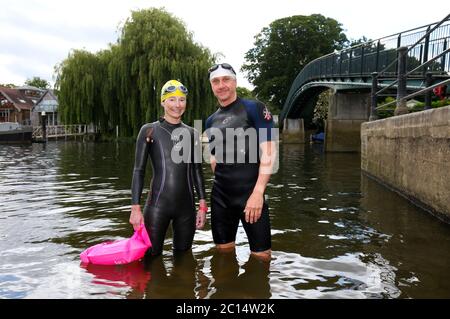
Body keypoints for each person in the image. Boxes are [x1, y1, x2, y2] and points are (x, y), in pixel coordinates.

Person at [205, 63, 277, 261]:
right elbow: (214, 159)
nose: (221, 85)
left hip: (251, 194)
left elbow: (269, 152)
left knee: (262, 257)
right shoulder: (211, 121)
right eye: (216, 81)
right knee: (223, 255)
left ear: (235, 82)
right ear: (212, 86)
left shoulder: (254, 108)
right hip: (221, 197)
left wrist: (258, 192)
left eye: (226, 79)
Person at [129, 80, 208, 256]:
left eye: (182, 100)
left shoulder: (192, 133)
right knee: (151, 259)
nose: (177, 105)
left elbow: (196, 171)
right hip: (158, 206)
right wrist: (135, 209)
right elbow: (138, 171)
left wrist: (202, 205)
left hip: (186, 208)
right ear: (163, 102)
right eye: (172, 99)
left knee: (184, 260)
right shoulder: (149, 131)